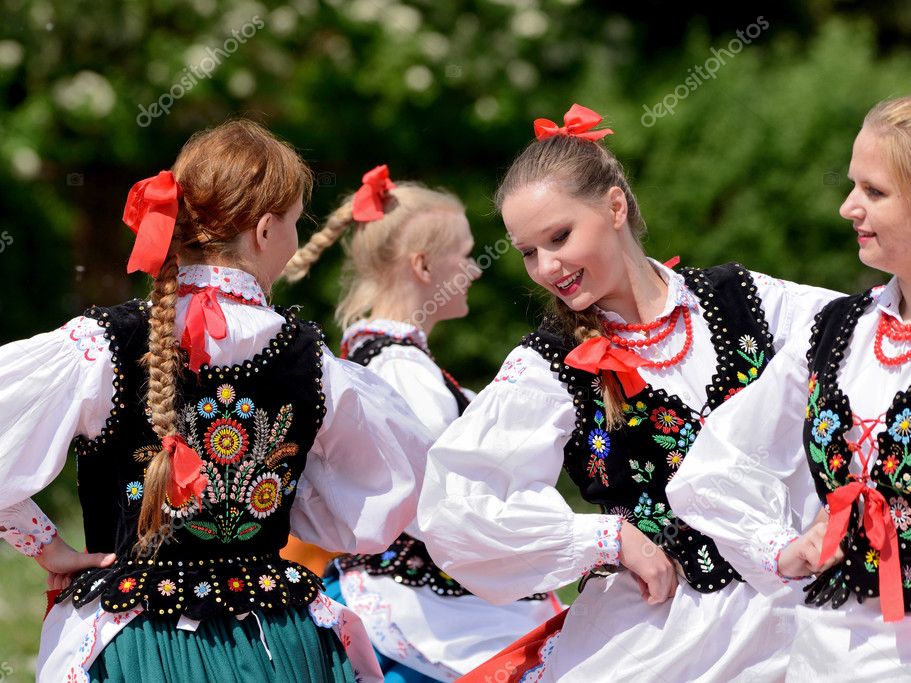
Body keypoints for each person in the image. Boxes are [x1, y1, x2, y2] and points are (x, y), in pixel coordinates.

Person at [0, 119, 434, 682]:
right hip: (274, 642)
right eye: (295, 222)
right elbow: (392, 493)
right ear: (263, 230)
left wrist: (46, 546)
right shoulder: (314, 362)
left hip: (136, 641)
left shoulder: (100, 346)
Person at [416, 104, 840, 681]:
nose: (547, 266)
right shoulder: (549, 366)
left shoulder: (747, 301)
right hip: (669, 638)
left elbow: (868, 352)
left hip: (809, 610)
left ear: (615, 206)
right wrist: (610, 537)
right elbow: (458, 504)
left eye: (559, 236)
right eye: (528, 251)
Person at [282, 165, 560, 681]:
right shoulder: (399, 369)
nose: (475, 269)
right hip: (430, 615)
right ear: (425, 267)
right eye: (465, 253)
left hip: (420, 602)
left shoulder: (384, 359)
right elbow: (432, 501)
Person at [666, 97, 911, 680]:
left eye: (874, 192)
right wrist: (783, 547)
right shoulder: (838, 331)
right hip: (833, 652)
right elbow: (718, 463)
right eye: (854, 186)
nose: (848, 205)